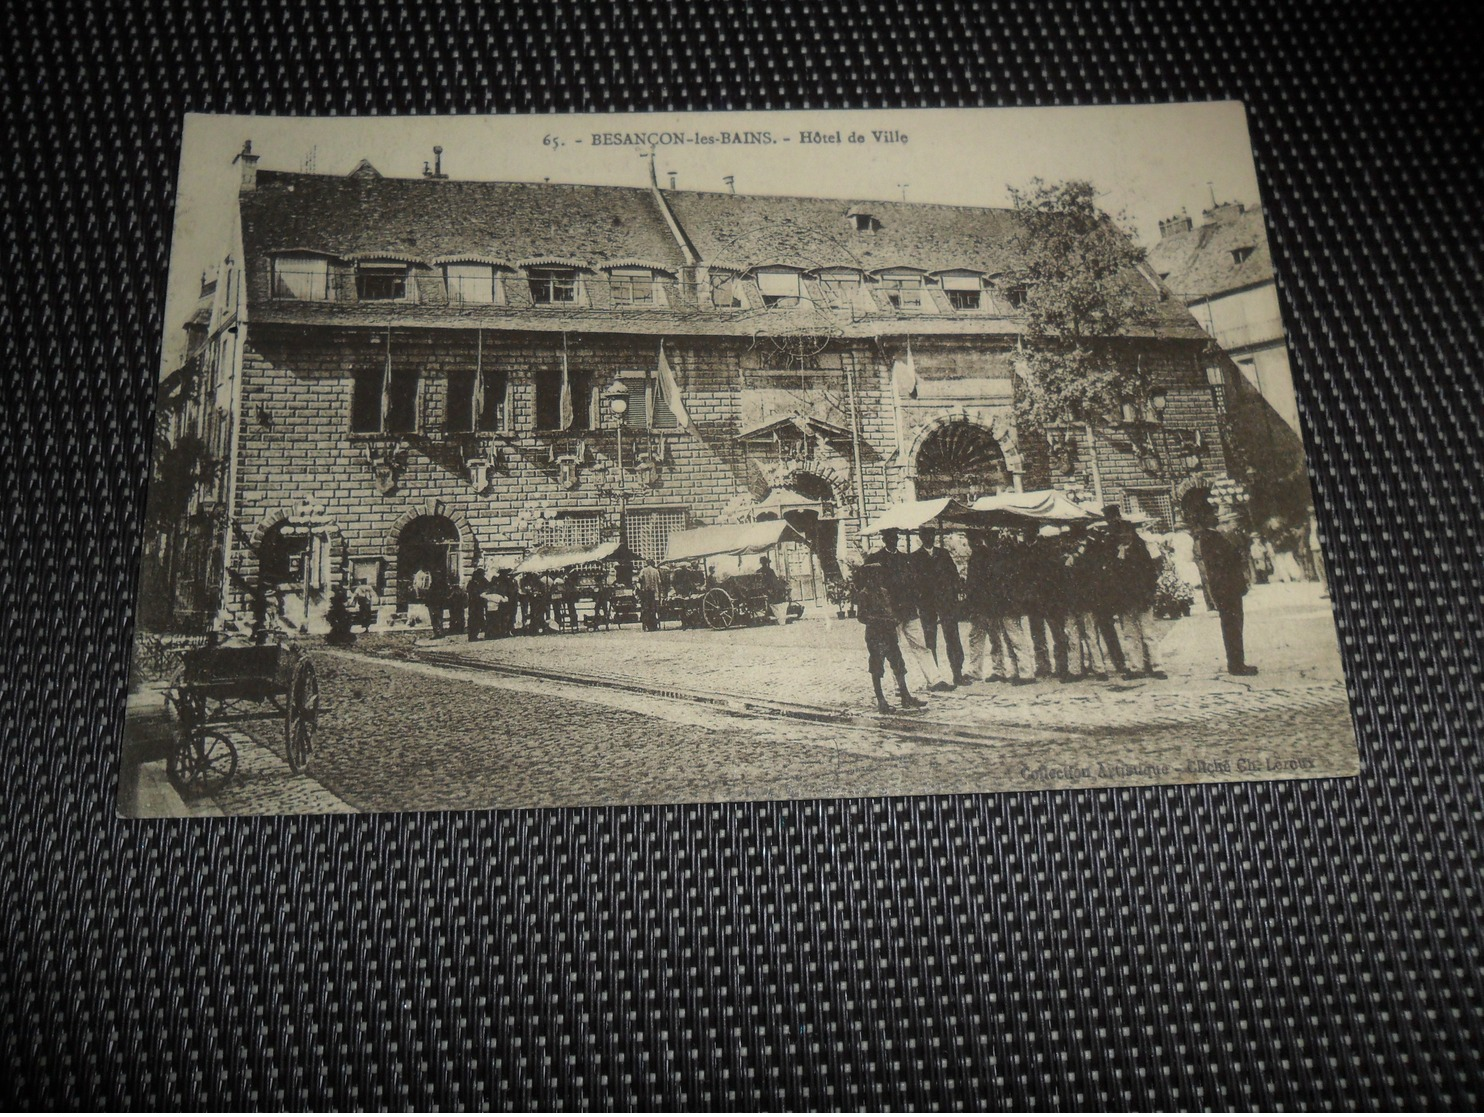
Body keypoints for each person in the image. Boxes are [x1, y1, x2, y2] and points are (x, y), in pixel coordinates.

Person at [870, 529, 951, 692]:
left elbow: (914, 582)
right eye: (889, 538)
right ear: (884, 539)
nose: (892, 541)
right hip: (890, 612)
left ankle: (935, 680)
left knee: (921, 645)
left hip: (908, 610)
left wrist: (915, 599)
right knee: (894, 648)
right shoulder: (876, 559)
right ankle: (899, 685)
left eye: (894, 538)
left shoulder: (905, 559)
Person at [1190, 496, 1258, 675]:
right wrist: (1235, 550)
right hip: (1226, 588)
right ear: (1205, 519)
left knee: (1234, 626)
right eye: (1212, 514)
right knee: (1232, 627)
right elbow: (1224, 561)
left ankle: (1237, 662)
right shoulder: (1210, 538)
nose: (1216, 516)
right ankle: (1236, 665)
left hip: (1227, 588)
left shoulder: (1213, 536)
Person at [855, 551, 926, 714]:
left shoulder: (884, 592)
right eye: (876, 575)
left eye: (880, 575)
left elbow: (890, 610)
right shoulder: (864, 594)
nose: (879, 578)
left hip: (889, 634)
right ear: (870, 576)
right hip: (875, 636)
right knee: (877, 668)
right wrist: (882, 621)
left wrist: (893, 619)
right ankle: (881, 700)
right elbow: (862, 617)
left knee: (899, 665)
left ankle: (905, 696)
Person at [1104, 507, 1165, 679]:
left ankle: (1157, 666)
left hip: (1142, 597)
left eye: (1126, 533)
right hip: (1125, 600)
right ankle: (1136, 667)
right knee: (1130, 635)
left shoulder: (1141, 552)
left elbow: (1150, 575)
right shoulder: (1116, 553)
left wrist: (1149, 594)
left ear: (1131, 533)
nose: (1123, 537)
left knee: (1148, 633)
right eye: (1120, 534)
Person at [964, 529, 1031, 684]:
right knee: (1000, 638)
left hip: (995, 604)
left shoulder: (993, 557)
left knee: (1008, 638)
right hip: (991, 605)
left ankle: (1022, 672)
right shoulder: (987, 556)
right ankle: (1007, 671)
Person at [911, 527, 968, 685]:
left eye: (931, 535)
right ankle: (935, 678)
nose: (928, 538)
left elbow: (954, 575)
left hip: (945, 601)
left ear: (934, 536)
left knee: (952, 636)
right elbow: (913, 581)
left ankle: (957, 673)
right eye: (925, 535)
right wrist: (918, 598)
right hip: (927, 603)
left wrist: (956, 593)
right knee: (930, 639)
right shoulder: (915, 557)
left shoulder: (943, 554)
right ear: (921, 537)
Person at [1025, 525, 1072, 681]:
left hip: (1047, 601)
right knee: (1045, 635)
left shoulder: (1045, 555)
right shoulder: (1054, 556)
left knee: (1052, 634)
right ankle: (1051, 666)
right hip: (1043, 601)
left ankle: (1055, 666)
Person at [757, 555, 790, 626]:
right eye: (764, 563)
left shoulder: (761, 571)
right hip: (768, 589)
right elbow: (774, 580)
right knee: (777, 595)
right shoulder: (769, 571)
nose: (765, 564)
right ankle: (774, 610)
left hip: (765, 589)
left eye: (764, 563)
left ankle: (771, 611)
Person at [637, 558, 663, 631]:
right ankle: (654, 626)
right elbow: (659, 582)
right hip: (655, 593)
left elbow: (639, 579)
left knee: (646, 610)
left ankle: (647, 625)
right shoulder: (656, 571)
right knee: (653, 610)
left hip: (646, 593)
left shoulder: (643, 570)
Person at [465, 567, 490, 642]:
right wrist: (480, 592)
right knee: (473, 619)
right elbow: (470, 591)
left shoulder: (483, 581)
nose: (483, 576)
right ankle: (472, 636)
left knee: (479, 618)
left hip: (480, 604)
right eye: (482, 574)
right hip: (473, 604)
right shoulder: (471, 583)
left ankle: (476, 634)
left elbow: (489, 586)